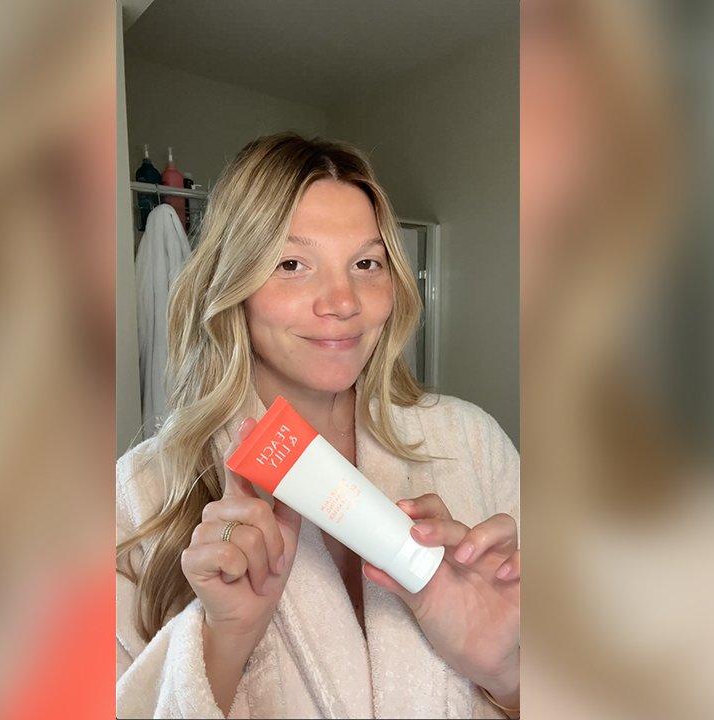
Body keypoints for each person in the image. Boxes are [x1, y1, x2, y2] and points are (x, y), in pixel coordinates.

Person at [114, 133, 522, 718]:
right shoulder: (140, 495)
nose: (343, 301)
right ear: (233, 285)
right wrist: (221, 646)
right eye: (292, 264)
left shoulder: (471, 444)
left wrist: (506, 673)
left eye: (366, 263)